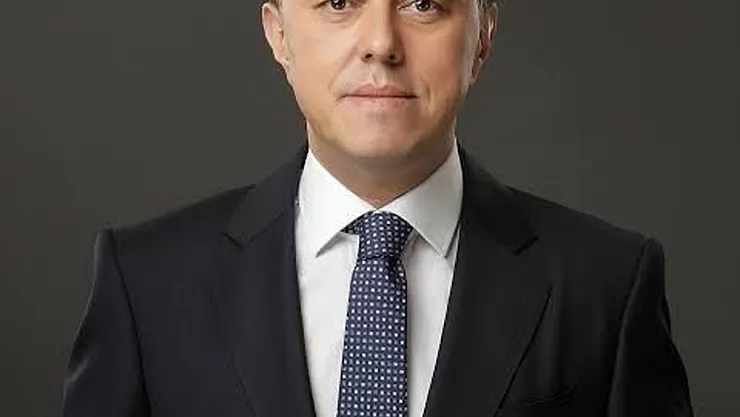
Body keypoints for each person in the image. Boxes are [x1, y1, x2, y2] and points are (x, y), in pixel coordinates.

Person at [62, 0, 694, 416]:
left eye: (423, 4)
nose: (381, 44)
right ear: (279, 33)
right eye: (339, 2)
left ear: (482, 36)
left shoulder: (605, 286)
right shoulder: (146, 284)